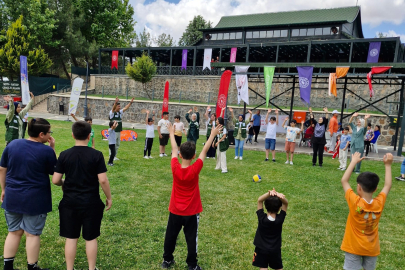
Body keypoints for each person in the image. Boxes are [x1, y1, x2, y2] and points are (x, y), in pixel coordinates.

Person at [161, 121, 222, 270]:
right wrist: (212, 135)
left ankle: (167, 260)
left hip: (175, 210)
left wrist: (171, 132)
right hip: (191, 212)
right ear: (193, 156)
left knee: (170, 236)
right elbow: (205, 150)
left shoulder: (175, 166)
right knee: (191, 239)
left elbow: (174, 148)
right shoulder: (195, 168)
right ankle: (192, 265)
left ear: (181, 155)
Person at [52, 121, 112, 270]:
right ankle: (91, 268)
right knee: (90, 238)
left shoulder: (64, 154)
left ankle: (69, 268)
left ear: (73, 135)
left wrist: (64, 182)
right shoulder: (96, 155)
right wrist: (109, 198)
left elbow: (55, 180)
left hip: (69, 203)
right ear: (89, 136)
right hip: (91, 202)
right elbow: (103, 180)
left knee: (71, 238)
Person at [0, 118, 57, 270]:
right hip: (35, 199)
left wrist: (4, 189)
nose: (50, 135)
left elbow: (2, 168)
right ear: (41, 134)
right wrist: (52, 148)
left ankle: (8, 266)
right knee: (32, 234)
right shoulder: (46, 151)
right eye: (49, 133)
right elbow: (55, 172)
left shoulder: (13, 144)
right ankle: (32, 267)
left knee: (13, 232)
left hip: (12, 196)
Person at [340, 152, 393, 270]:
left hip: (353, 247)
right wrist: (388, 166)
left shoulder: (355, 202)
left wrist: (353, 162)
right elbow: (388, 185)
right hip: (371, 248)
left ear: (358, 187)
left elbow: (344, 181)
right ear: (375, 189)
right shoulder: (379, 203)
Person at [252, 188, 288, 270]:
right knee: (278, 267)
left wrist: (269, 193)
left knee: (263, 267)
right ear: (279, 208)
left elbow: (259, 200)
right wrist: (280, 196)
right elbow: (286, 204)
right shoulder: (280, 219)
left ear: (265, 206)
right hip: (275, 249)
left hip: (261, 249)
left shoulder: (261, 218)